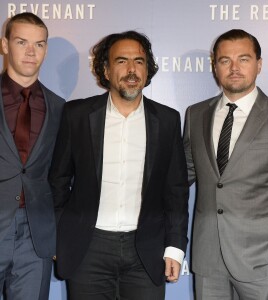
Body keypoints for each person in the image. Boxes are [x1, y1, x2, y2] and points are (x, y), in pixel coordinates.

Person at [49, 30, 189, 300]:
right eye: (121, 61)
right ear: (106, 69)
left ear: (148, 69)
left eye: (139, 61)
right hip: (88, 248)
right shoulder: (77, 115)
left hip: (146, 249)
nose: (131, 69)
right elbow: (58, 181)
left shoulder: (168, 119)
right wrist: (59, 234)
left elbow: (176, 190)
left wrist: (175, 246)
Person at [183, 29, 268, 300]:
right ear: (215, 67)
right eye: (225, 60)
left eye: (244, 59)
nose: (234, 68)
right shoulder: (195, 114)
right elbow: (179, 177)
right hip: (208, 261)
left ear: (259, 64)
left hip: (264, 263)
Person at [0, 12, 65, 300]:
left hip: (35, 236)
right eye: (21, 42)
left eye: (38, 44)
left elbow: (62, 174)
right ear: (4, 45)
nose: (30, 52)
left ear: (46, 50)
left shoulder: (60, 107)